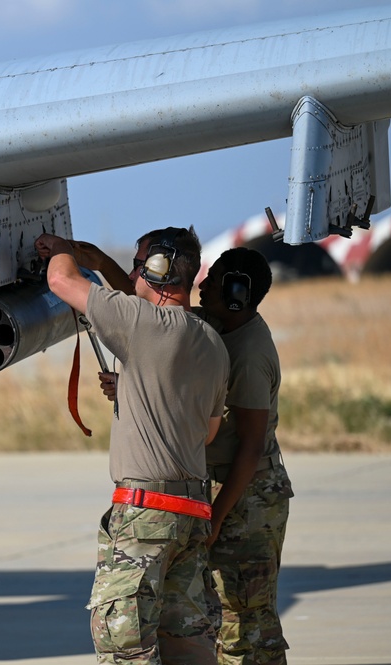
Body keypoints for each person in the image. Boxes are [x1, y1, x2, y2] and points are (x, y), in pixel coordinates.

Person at [35, 228, 228, 665]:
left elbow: (61, 282)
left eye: (140, 263)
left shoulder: (145, 325)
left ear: (156, 269)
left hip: (145, 516)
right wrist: (139, 392)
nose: (134, 271)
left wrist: (61, 249)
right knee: (189, 644)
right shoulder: (211, 341)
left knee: (126, 648)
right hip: (190, 514)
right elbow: (208, 431)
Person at [197, 248, 293, 665]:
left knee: (246, 622)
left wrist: (216, 517)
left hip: (249, 498)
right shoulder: (224, 326)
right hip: (232, 488)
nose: (202, 286)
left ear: (238, 293)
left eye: (213, 281)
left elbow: (252, 446)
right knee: (234, 618)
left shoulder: (249, 353)